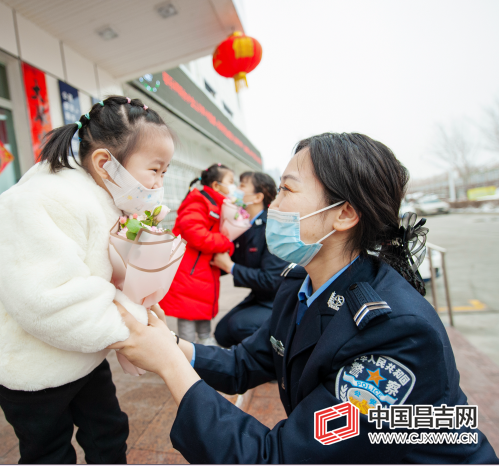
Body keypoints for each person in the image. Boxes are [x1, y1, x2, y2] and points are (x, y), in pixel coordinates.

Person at [113, 132, 498, 464]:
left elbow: (278, 458)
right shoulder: (302, 282)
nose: (272, 206)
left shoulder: (396, 333)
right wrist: (172, 344)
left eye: (286, 190)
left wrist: (168, 364)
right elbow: (245, 362)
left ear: (344, 214)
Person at [0, 96, 174, 464]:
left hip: (80, 353)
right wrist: (132, 328)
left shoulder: (104, 199)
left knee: (108, 430)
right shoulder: (38, 202)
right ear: (106, 163)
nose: (159, 182)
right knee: (48, 450)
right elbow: (48, 300)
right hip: (29, 366)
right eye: (155, 170)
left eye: (165, 172)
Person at [212, 171, 289, 347]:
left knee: (238, 326)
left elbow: (271, 279)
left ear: (257, 197)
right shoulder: (245, 224)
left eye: (241, 185)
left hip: (276, 300)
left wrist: (230, 267)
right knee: (222, 333)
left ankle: (279, 353)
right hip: (259, 296)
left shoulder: (271, 228)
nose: (235, 190)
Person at [160, 163, 235, 344]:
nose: (234, 186)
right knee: (187, 314)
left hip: (200, 272)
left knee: (202, 310)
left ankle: (205, 346)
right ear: (216, 185)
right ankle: (187, 354)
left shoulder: (216, 204)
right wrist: (225, 242)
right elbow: (195, 233)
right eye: (231, 182)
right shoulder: (198, 201)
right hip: (189, 272)